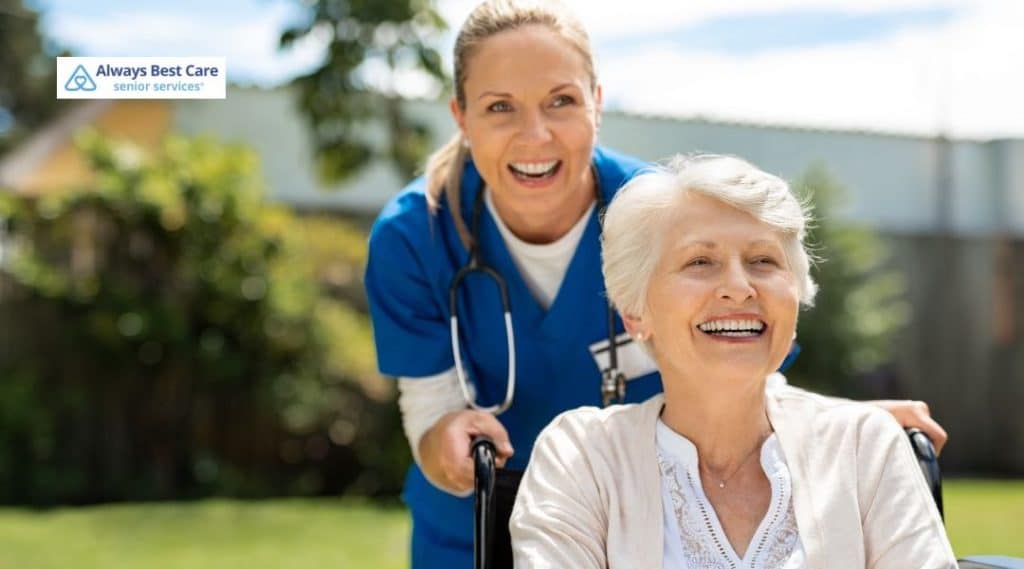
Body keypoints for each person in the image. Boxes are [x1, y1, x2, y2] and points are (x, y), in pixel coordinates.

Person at [363, 1, 947, 566]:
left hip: (652, 523)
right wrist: (444, 442)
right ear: (460, 116)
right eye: (499, 108)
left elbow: (743, 352)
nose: (535, 135)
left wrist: (844, 432)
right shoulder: (414, 237)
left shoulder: (666, 219)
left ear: (596, 102)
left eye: (560, 101)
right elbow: (430, 402)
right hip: (473, 530)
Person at [509, 155, 957, 568]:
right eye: (701, 261)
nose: (740, 287)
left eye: (763, 261)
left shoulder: (863, 447)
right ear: (635, 311)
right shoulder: (580, 457)